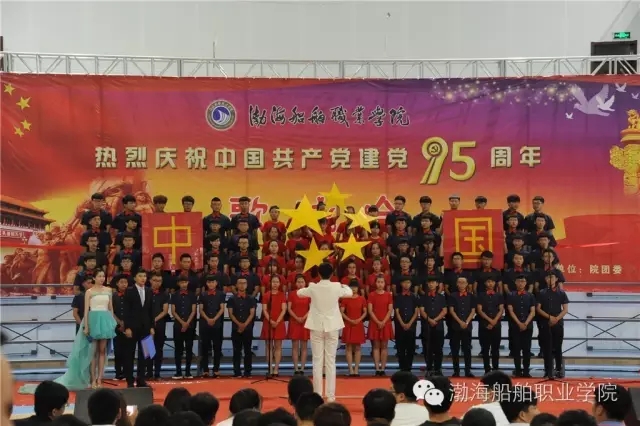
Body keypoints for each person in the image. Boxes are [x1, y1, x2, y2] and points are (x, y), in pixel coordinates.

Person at [296, 262, 352, 402]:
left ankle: (318, 394)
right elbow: (350, 292)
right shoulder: (336, 286)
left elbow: (299, 293)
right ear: (332, 274)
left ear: (319, 274)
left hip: (316, 326)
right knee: (330, 361)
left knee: (317, 361)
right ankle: (331, 396)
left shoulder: (313, 287)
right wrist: (343, 285)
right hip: (332, 326)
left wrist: (310, 286)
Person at [123, 269, 154, 388]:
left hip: (146, 327)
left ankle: (141, 379)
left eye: (145, 276)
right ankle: (130, 380)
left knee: (145, 354)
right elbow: (126, 311)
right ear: (135, 278)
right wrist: (127, 327)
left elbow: (151, 310)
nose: (143, 278)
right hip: (132, 327)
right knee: (129, 354)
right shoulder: (129, 291)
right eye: (140, 276)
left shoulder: (149, 290)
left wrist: (152, 327)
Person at [536, 273, 569, 379]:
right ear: (545, 279)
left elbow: (565, 309)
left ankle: (559, 370)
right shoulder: (541, 293)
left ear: (556, 279)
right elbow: (538, 308)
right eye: (548, 278)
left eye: (552, 277)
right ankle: (548, 371)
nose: (550, 279)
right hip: (545, 323)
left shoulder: (561, 293)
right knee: (547, 348)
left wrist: (556, 318)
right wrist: (549, 317)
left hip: (558, 323)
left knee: (558, 347)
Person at [227, 278, 257, 378]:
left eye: (244, 283)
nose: (242, 285)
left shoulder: (251, 299)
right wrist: (239, 324)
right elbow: (231, 314)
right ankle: (237, 372)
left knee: (248, 351)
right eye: (240, 283)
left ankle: (248, 372)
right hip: (236, 328)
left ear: (247, 285)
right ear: (236, 285)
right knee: (236, 351)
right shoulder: (232, 299)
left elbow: (252, 314)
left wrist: (244, 325)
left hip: (247, 328)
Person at [506, 276, 535, 378]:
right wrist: (519, 323)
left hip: (528, 326)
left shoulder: (530, 295)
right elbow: (510, 310)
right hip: (515, 326)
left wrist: (525, 323)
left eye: (523, 281)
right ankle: (518, 371)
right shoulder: (510, 295)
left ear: (526, 283)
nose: (521, 283)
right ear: (515, 283)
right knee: (516, 349)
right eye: (519, 281)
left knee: (527, 350)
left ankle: (526, 371)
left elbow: (532, 312)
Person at [419, 277, 447, 377]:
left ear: (437, 284)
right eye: (429, 282)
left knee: (439, 348)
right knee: (428, 348)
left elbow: (444, 311)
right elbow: (422, 311)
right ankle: (429, 368)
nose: (431, 284)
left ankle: (438, 369)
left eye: (433, 282)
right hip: (427, 326)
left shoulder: (441, 297)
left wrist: (435, 320)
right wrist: (430, 320)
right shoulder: (423, 297)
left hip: (438, 326)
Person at [199, 276, 226, 378]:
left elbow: (222, 309)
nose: (211, 284)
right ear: (206, 283)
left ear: (216, 283)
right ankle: (205, 370)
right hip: (205, 324)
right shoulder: (203, 294)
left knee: (217, 347)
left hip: (217, 324)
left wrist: (214, 319)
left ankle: (216, 369)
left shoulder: (221, 294)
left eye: (213, 282)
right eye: (209, 282)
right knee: (205, 348)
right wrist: (208, 319)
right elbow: (201, 310)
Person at [260, 275, 287, 376]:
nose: (275, 284)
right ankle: (270, 368)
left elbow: (284, 309)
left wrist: (277, 321)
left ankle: (276, 368)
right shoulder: (266, 295)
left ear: (280, 284)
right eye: (273, 282)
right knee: (269, 346)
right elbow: (264, 310)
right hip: (268, 322)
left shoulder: (282, 295)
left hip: (279, 322)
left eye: (277, 282)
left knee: (278, 346)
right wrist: (270, 321)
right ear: (270, 283)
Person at [368, 275, 394, 376]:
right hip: (375, 322)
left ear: (384, 284)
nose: (380, 284)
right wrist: (378, 322)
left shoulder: (388, 295)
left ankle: (383, 368)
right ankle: (377, 368)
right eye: (378, 282)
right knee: (376, 346)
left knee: (384, 346)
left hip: (385, 322)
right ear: (375, 283)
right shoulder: (371, 295)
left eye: (382, 282)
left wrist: (383, 321)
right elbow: (370, 310)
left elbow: (390, 310)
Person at [171, 276, 197, 379]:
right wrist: (182, 323)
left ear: (188, 283)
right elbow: (173, 311)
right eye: (181, 282)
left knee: (189, 349)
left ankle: (188, 372)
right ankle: (178, 372)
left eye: (185, 282)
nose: (183, 284)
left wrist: (186, 323)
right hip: (178, 326)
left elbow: (193, 311)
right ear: (178, 283)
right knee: (178, 349)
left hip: (190, 326)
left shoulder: (192, 295)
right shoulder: (174, 295)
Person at [339, 280, 367, 376]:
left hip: (358, 324)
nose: (353, 289)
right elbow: (342, 312)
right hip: (348, 324)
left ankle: (356, 369)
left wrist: (359, 319)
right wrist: (349, 320)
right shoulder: (345, 299)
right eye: (351, 287)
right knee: (349, 347)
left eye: (355, 287)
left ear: (358, 288)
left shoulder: (362, 299)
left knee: (358, 347)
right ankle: (350, 369)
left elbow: (365, 312)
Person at [393, 278, 419, 372]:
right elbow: (397, 311)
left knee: (410, 347)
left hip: (411, 325)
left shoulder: (414, 297)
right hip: (400, 325)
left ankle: (409, 367)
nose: (406, 284)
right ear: (401, 284)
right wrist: (402, 323)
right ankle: (402, 367)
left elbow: (416, 312)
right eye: (404, 282)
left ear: (411, 284)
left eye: (408, 282)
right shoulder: (398, 297)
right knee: (400, 347)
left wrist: (409, 323)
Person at [288, 274, 311, 375]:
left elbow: (311, 308)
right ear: (295, 283)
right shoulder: (292, 294)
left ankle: (302, 368)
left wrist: (304, 317)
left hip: (305, 321)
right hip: (294, 321)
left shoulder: (308, 294)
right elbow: (289, 308)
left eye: (302, 282)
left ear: (305, 283)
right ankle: (296, 368)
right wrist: (297, 318)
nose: (300, 284)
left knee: (304, 346)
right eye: (298, 282)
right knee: (295, 346)